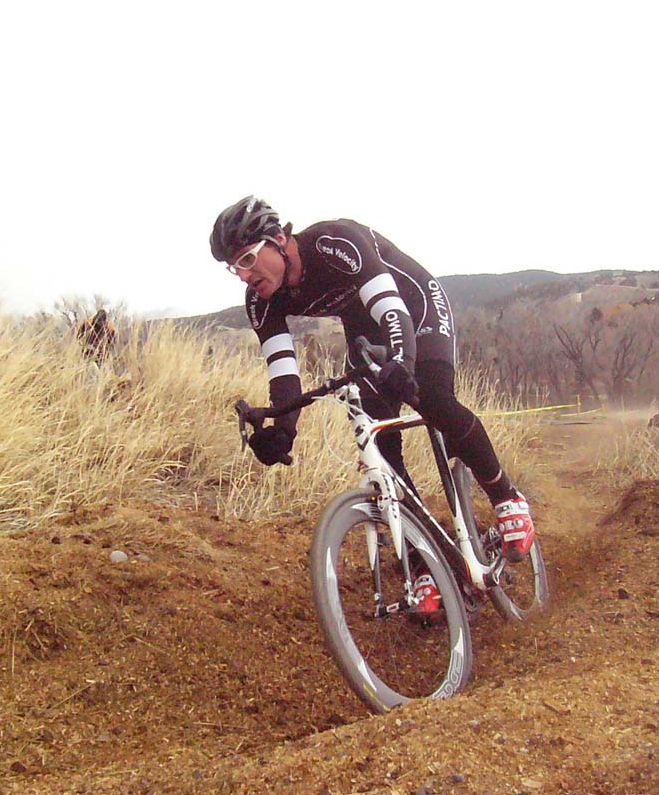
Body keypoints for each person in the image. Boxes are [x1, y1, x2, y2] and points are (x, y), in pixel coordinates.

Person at [210, 196, 535, 562]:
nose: (242, 275)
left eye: (247, 259)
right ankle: (427, 561)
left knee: (434, 400)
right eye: (233, 267)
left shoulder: (334, 243)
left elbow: (391, 308)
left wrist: (402, 361)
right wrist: (284, 430)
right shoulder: (261, 302)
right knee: (379, 447)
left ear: (278, 240)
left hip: (413, 306)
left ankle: (507, 497)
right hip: (366, 330)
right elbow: (284, 373)